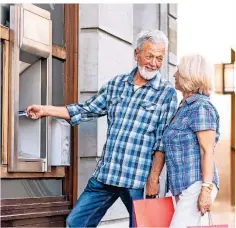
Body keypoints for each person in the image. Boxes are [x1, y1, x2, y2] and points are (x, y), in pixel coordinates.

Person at [25, 30, 177, 227]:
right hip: (107, 173)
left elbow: (162, 141)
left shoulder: (166, 93)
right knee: (76, 222)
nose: (154, 63)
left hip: (138, 179)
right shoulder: (116, 85)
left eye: (159, 58)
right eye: (149, 56)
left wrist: (154, 178)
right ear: (136, 54)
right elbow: (85, 109)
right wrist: (45, 110)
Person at [162, 54, 220, 227]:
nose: (174, 74)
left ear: (189, 74)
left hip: (197, 185)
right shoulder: (183, 107)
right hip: (181, 187)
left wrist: (205, 189)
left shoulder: (201, 107)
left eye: (178, 70)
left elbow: (207, 151)